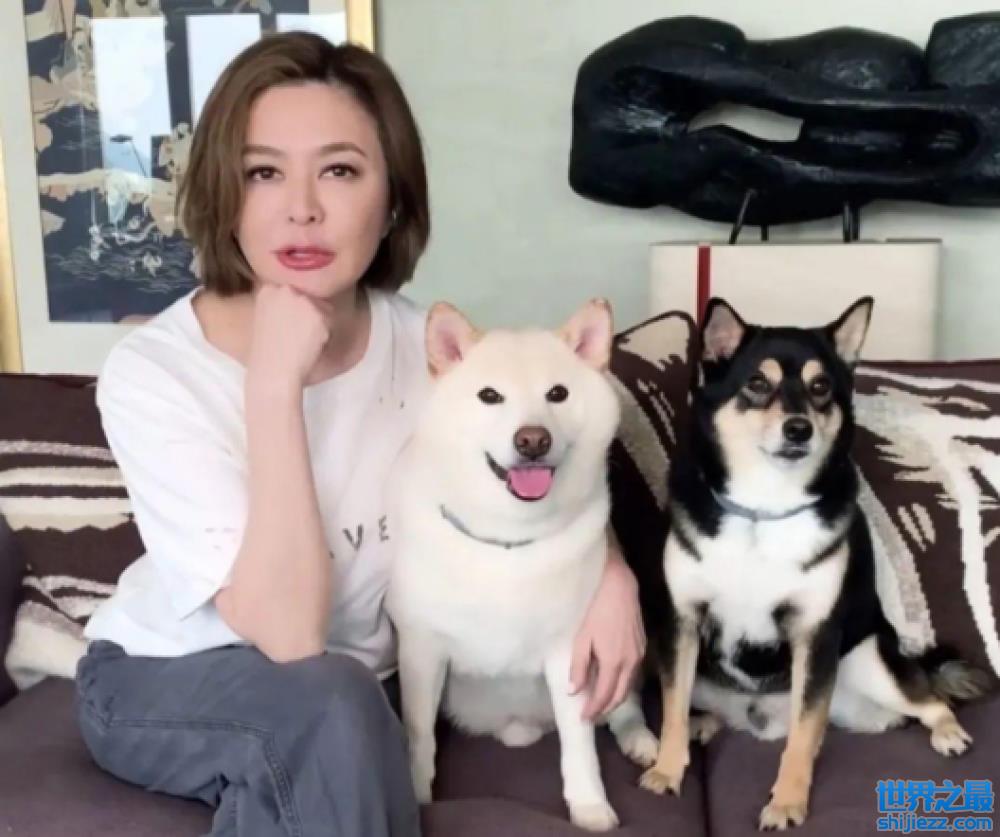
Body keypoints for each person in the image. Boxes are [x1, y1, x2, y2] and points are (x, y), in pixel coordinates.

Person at [75, 32, 645, 837]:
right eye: (263, 172)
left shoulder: (431, 351)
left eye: (339, 170)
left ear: (394, 199)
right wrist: (273, 385)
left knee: (332, 726)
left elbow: (545, 452)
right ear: (224, 195)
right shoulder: (155, 371)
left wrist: (613, 575)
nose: (302, 208)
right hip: (164, 676)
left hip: (349, 695)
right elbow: (288, 636)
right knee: (333, 702)